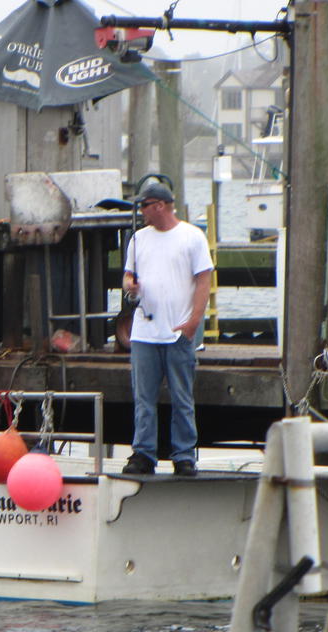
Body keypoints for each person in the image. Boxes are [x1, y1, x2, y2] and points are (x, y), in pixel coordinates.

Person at [121, 184, 213, 477]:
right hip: (144, 332)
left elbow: (204, 280)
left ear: (159, 205)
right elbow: (127, 275)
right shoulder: (138, 239)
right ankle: (143, 454)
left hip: (178, 332)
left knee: (182, 397)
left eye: (144, 206)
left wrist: (194, 321)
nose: (141, 212)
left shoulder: (192, 236)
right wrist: (129, 285)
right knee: (143, 399)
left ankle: (184, 455)